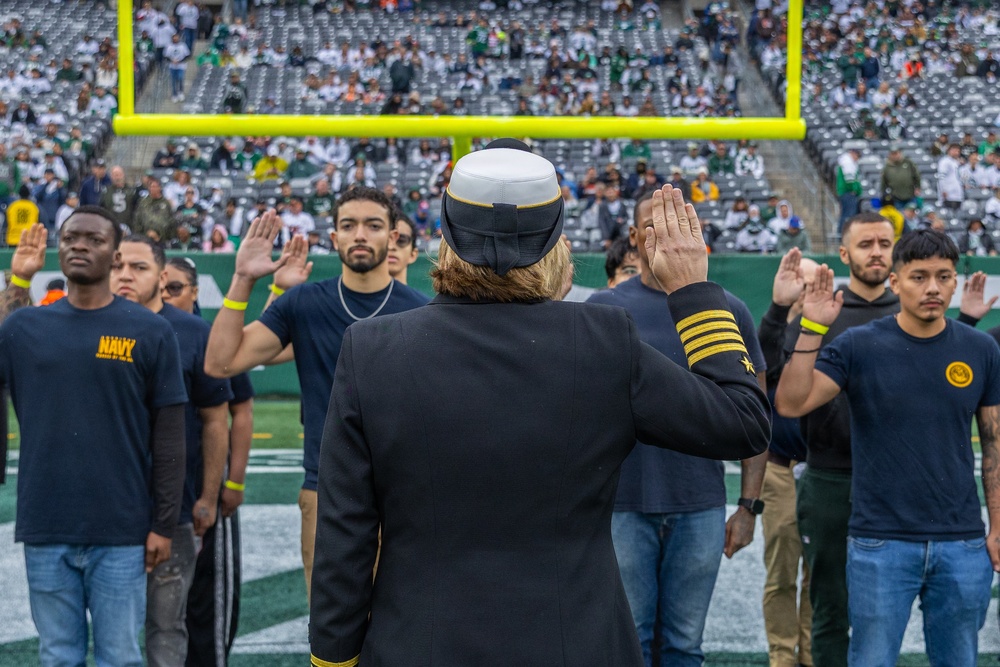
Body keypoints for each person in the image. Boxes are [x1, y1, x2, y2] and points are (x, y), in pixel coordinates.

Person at [307, 146, 770, 667]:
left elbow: (344, 537)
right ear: (555, 240)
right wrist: (693, 290)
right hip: (580, 644)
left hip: (418, 644)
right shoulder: (603, 341)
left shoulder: (370, 347)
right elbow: (742, 423)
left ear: (446, 235)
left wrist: (332, 659)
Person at [758, 214, 990, 667]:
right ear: (844, 254)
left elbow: (943, 372)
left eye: (886, 242)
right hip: (828, 475)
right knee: (829, 604)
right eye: (866, 244)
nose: (878, 252)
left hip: (904, 492)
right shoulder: (823, 312)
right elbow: (778, 386)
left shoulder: (915, 313)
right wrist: (783, 313)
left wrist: (967, 321)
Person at [204, 187, 429, 597]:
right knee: (331, 634)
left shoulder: (423, 311)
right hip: (326, 490)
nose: (360, 234)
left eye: (373, 225)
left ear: (393, 237)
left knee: (403, 631)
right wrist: (243, 279)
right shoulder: (304, 304)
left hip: (406, 494)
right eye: (348, 225)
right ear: (334, 236)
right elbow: (220, 364)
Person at [588, 190, 768, 667]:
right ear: (632, 237)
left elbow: (756, 413)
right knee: (632, 642)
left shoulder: (728, 308)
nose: (666, 233)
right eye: (654, 223)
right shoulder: (601, 312)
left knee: (685, 646)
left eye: (679, 222)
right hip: (623, 504)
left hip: (700, 505)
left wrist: (748, 505)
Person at [0, 213, 186, 666]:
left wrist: (163, 523)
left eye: (94, 239)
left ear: (114, 253)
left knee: (119, 657)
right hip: (46, 523)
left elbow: (169, 436)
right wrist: (18, 279)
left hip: (121, 528)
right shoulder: (26, 328)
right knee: (58, 655)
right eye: (70, 238)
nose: (80, 246)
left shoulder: (150, 329)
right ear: (58, 249)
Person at [111, 235, 233, 667]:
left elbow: (217, 419)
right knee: (114, 632)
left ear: (161, 276)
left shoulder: (195, 332)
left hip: (175, 505)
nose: (124, 275)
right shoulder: (93, 324)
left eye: (138, 267)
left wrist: (207, 496)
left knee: (167, 626)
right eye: (118, 265)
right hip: (108, 508)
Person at [162, 256, 254, 666]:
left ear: (196, 291)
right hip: (157, 493)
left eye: (175, 287)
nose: (166, 294)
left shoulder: (207, 336)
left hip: (202, 485)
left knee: (206, 604)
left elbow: (239, 411)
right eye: (162, 286)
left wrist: (230, 485)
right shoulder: (133, 330)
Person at [757, 250, 819, 667]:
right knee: (781, 574)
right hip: (780, 469)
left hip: (825, 472)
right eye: (800, 281)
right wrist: (783, 310)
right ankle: (783, 656)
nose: (805, 289)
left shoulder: (832, 330)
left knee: (821, 574)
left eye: (812, 282)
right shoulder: (775, 331)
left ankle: (813, 652)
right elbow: (764, 357)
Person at [879, 144, 921, 209]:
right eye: (893, 154)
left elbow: (916, 175)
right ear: (890, 155)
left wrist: (918, 187)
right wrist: (883, 194)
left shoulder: (908, 162)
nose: (895, 156)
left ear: (900, 153)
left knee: (912, 215)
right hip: (896, 197)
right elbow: (884, 182)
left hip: (910, 195)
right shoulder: (887, 167)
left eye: (896, 153)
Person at [387, 213, 419, 284]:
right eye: (386, 240)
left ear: (413, 254)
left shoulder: (417, 296)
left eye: (401, 240)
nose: (392, 247)